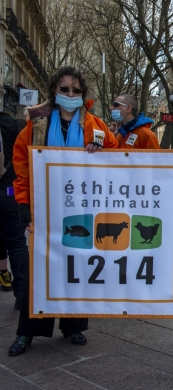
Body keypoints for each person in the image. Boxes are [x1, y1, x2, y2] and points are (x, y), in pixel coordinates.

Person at [9, 66, 120, 356]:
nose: (70, 94)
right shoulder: (37, 126)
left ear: (83, 94)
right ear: (54, 92)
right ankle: (28, 332)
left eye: (76, 90)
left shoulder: (96, 125)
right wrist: (23, 205)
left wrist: (103, 150)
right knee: (40, 270)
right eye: (64, 89)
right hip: (46, 207)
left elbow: (119, 158)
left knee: (77, 267)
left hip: (83, 208)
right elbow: (22, 169)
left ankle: (73, 327)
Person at [0, 111, 28, 304]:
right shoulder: (11, 124)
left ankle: (5, 276)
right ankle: (22, 295)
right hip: (10, 191)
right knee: (17, 244)